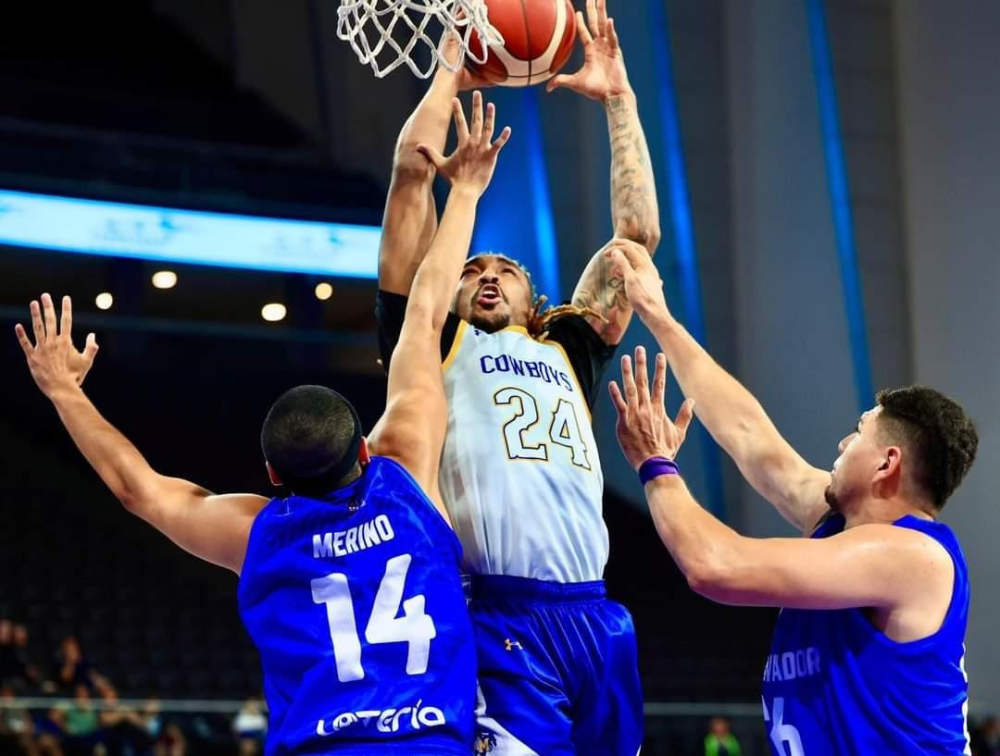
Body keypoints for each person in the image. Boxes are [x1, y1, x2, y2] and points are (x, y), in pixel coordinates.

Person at [14, 92, 511, 756]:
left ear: (272, 475)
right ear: (365, 451)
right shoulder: (408, 478)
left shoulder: (259, 533)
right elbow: (423, 315)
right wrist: (468, 193)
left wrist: (63, 391)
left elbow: (139, 489)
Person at [375, 1, 657, 752]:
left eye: (506, 268)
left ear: (537, 299)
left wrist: (620, 100)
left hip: (596, 614)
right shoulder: (433, 338)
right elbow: (410, 179)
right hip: (497, 613)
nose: (488, 274)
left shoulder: (567, 345)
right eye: (472, 269)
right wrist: (448, 72)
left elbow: (637, 238)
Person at [604, 241, 979, 755]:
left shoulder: (914, 557)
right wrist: (658, 314)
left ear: (886, 463)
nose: (842, 444)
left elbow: (715, 566)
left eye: (858, 432)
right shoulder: (837, 524)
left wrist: (656, 464)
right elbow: (750, 436)